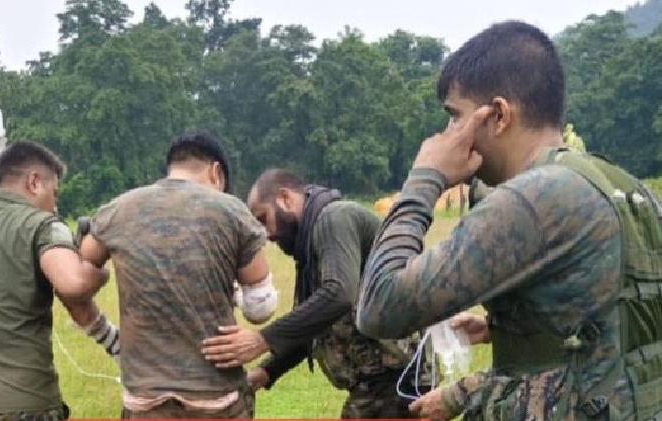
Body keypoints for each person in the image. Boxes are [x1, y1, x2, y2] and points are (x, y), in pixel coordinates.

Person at [355, 20, 662, 421]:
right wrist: (509, 329)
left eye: (455, 117)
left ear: (498, 115)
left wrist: (424, 179)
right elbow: (616, 319)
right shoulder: (626, 188)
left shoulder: (533, 198)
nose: (446, 135)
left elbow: (380, 306)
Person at [201, 168, 434, 419]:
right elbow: (311, 328)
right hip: (381, 381)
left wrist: (261, 340)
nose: (266, 234)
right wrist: (264, 373)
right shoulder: (311, 243)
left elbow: (339, 294)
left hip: (398, 376)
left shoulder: (334, 218)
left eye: (263, 218)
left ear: (285, 198)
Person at [78, 133, 279, 419]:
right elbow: (261, 307)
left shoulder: (119, 209)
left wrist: (106, 335)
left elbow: (77, 272)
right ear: (216, 172)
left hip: (144, 400)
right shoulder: (231, 210)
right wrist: (232, 292)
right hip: (216, 397)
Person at [0, 130, 121, 421]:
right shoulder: (43, 225)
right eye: (54, 193)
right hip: (28, 404)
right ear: (34, 182)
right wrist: (97, 265)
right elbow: (74, 284)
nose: (55, 205)